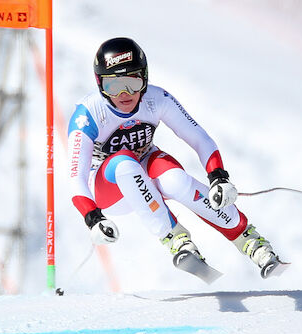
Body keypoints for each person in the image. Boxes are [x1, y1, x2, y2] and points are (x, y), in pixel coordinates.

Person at [67, 37, 284, 279]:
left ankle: (250, 241)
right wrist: (93, 218)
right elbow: (76, 178)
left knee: (176, 180)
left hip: (144, 167)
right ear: (100, 85)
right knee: (124, 162)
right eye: (114, 86)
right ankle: (174, 238)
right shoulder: (88, 115)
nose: (125, 94)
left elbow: (199, 138)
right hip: (109, 188)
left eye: (133, 81)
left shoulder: (156, 99)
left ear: (145, 78)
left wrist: (218, 176)